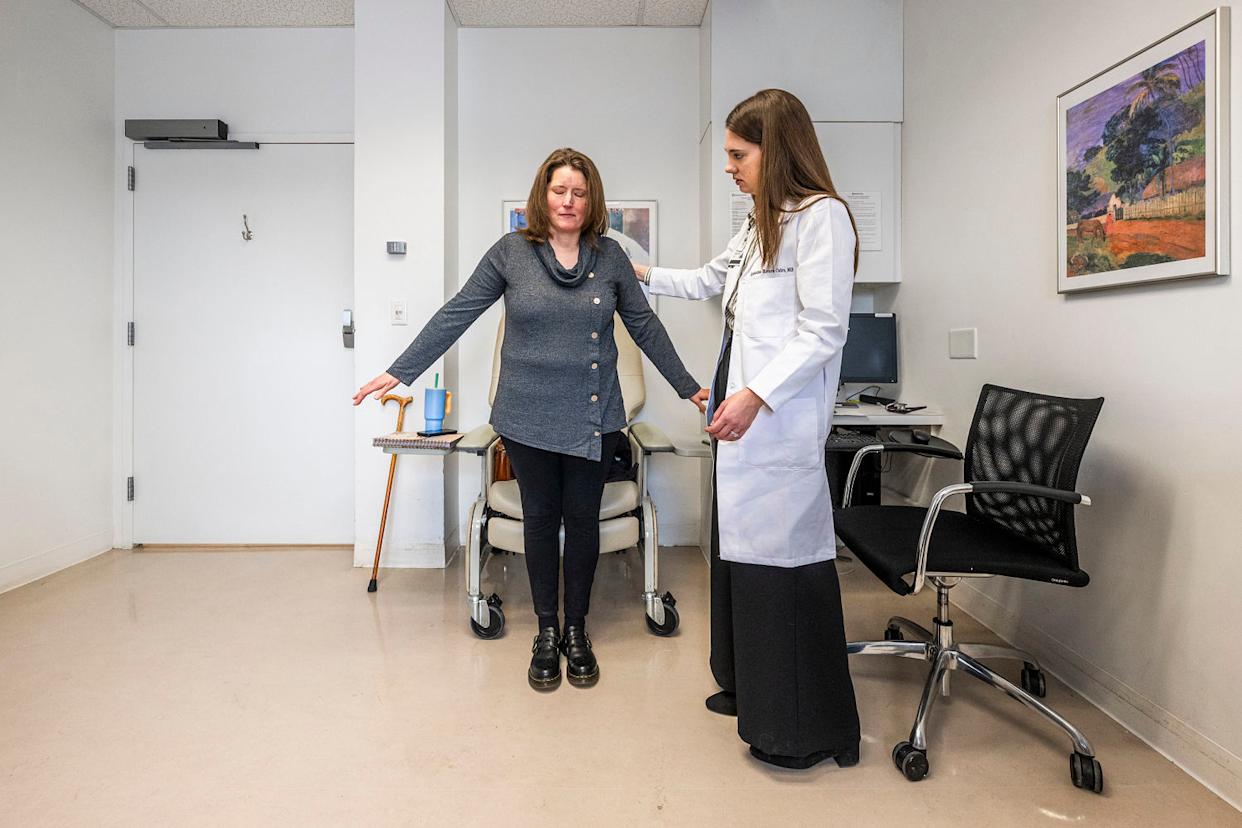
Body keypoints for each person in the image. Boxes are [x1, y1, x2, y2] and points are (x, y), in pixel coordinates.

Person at [353, 148, 703, 691]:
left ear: (592, 202)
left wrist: (690, 388)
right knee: (540, 520)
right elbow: (459, 311)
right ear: (543, 196)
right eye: (559, 190)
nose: (568, 201)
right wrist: (401, 372)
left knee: (581, 521)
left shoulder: (609, 258)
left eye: (579, 192)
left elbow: (644, 327)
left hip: (594, 415)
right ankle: (546, 630)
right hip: (525, 415)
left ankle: (577, 631)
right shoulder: (512, 253)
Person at [634, 89, 861, 769]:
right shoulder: (762, 220)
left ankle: (800, 730)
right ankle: (745, 689)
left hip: (777, 417)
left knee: (782, 569)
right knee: (740, 557)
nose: (729, 167)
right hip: (742, 407)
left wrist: (756, 395)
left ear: (776, 148)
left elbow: (823, 329)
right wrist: (632, 271)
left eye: (738, 154)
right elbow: (706, 282)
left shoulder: (823, 219)